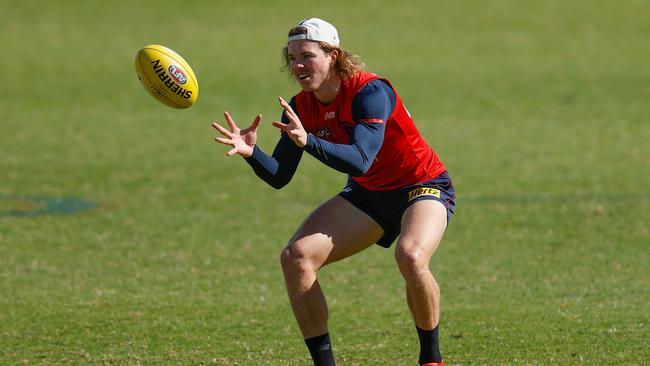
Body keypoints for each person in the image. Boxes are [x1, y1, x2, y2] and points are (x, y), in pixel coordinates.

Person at [212, 17, 456, 366]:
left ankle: (431, 360)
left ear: (333, 56)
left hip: (421, 186)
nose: (297, 65)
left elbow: (360, 159)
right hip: (369, 194)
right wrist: (252, 154)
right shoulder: (301, 106)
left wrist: (307, 140)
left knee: (411, 257)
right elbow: (280, 175)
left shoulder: (371, 92)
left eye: (307, 55)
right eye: (292, 57)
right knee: (296, 258)